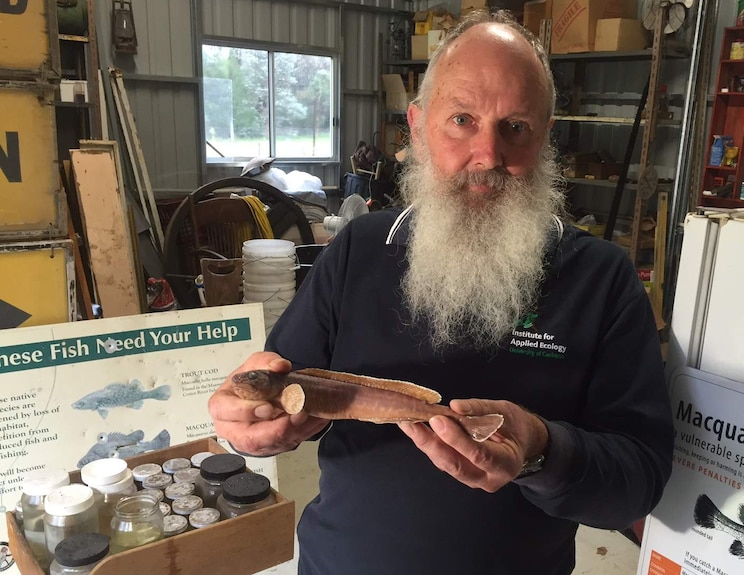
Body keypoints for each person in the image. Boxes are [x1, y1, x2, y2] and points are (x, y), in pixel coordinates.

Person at [209, 10, 673, 575]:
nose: (487, 155)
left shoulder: (601, 278)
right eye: (461, 120)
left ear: (546, 137)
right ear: (419, 125)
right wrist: (246, 426)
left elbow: (638, 482)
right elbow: (277, 391)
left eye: (515, 127)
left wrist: (542, 450)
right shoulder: (357, 250)